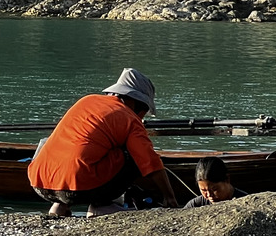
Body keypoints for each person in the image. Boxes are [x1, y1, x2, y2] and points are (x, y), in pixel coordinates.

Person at [28, 68, 174, 217]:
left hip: (40, 183)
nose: (142, 117)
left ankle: (59, 206)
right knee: (133, 155)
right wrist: (169, 197)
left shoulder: (87, 100)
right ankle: (102, 206)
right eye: (144, 109)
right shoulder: (129, 118)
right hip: (78, 187)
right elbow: (149, 161)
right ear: (133, 101)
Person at [184, 156, 248, 207]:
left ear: (227, 179)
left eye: (214, 189)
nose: (209, 195)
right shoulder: (195, 205)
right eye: (204, 190)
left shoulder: (245, 202)